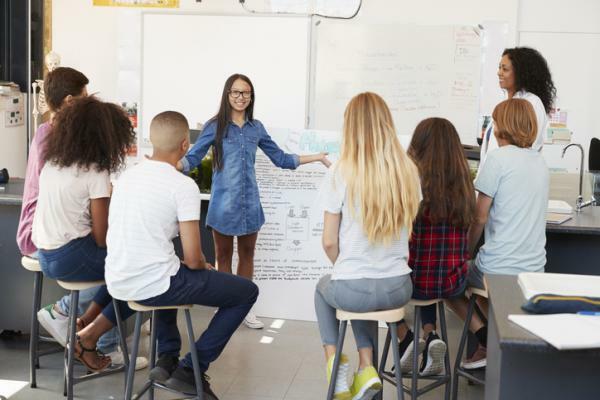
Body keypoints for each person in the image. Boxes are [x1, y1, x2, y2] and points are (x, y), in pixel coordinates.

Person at [106, 111, 258, 399]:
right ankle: (191, 369)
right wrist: (205, 267)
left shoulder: (126, 177)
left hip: (118, 281)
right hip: (152, 285)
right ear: (186, 145)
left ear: (151, 140)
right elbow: (192, 257)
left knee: (172, 268)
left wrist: (194, 266)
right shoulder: (181, 185)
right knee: (246, 292)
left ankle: (166, 359)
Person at [180, 73, 330, 329]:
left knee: (248, 255)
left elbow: (281, 159)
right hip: (223, 206)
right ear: (227, 95)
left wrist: (315, 157)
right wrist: (167, 165)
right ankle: (225, 307)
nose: (241, 97)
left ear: (251, 97)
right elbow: (192, 158)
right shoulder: (214, 126)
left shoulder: (256, 128)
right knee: (223, 255)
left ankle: (244, 308)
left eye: (246, 93)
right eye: (236, 92)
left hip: (250, 205)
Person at [16, 67, 137, 365]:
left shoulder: (55, 162)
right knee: (134, 272)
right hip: (60, 250)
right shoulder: (94, 169)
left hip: (46, 249)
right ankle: (91, 337)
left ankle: (83, 323)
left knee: (121, 268)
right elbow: (100, 236)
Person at [315, 92, 421, 400]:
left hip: (356, 288)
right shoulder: (408, 171)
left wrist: (346, 268)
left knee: (331, 289)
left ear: (351, 127)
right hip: (399, 287)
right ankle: (366, 368)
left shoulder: (340, 171)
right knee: (361, 292)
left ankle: (335, 365)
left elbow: (329, 241)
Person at [450, 98, 550, 369]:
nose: (492, 127)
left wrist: (464, 254)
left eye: (494, 122)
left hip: (497, 269)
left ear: (503, 126)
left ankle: (485, 340)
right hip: (533, 270)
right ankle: (495, 341)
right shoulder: (540, 163)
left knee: (449, 280)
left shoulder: (497, 159)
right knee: (481, 287)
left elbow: (479, 216)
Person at [394, 118, 475, 376]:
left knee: (390, 277)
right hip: (453, 281)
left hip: (415, 282)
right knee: (431, 272)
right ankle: (431, 335)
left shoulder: (410, 185)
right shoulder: (464, 186)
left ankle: (406, 338)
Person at [480, 47, 557, 164]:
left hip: (510, 175)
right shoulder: (504, 103)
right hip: (495, 173)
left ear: (520, 73)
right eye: (499, 67)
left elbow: (529, 147)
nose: (499, 73)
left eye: (505, 69)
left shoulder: (532, 103)